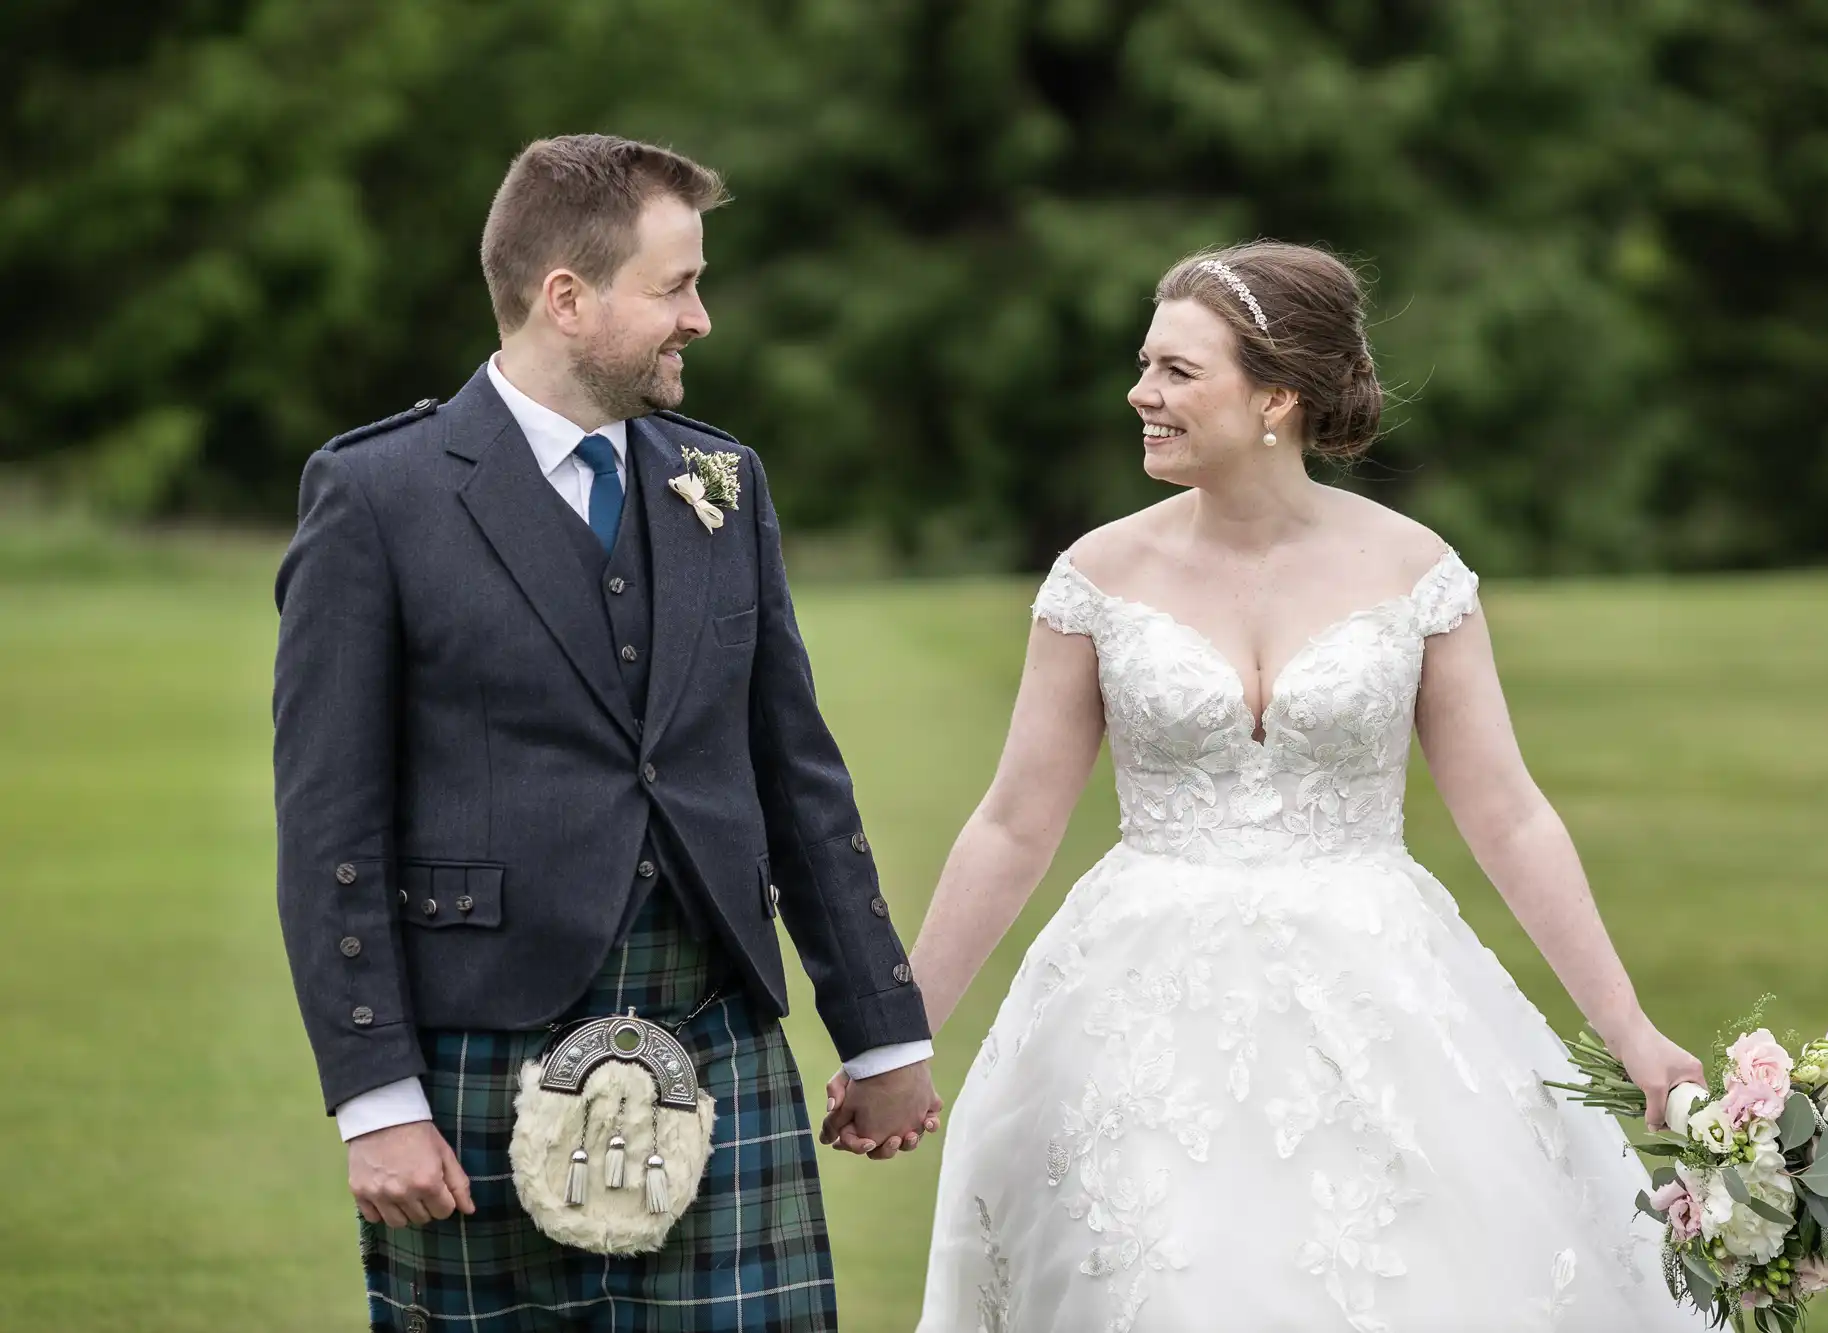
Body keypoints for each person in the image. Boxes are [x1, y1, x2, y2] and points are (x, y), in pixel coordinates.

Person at [828, 241, 1708, 1329]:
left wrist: (1628, 1031)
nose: (1138, 393)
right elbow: (1011, 825)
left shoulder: (1414, 571)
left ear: (1276, 397)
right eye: (1144, 363)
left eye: (1176, 371)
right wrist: (898, 1040)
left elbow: (1509, 815)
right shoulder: (1095, 578)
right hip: (1133, 1008)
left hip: (1377, 991)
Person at [273, 133, 938, 1333]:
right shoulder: (381, 493)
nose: (703, 318)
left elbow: (798, 778)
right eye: (676, 285)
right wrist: (375, 1094)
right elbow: (331, 817)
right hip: (479, 1046)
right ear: (565, 297)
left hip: (713, 1026)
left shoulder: (718, 482)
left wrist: (880, 1026)